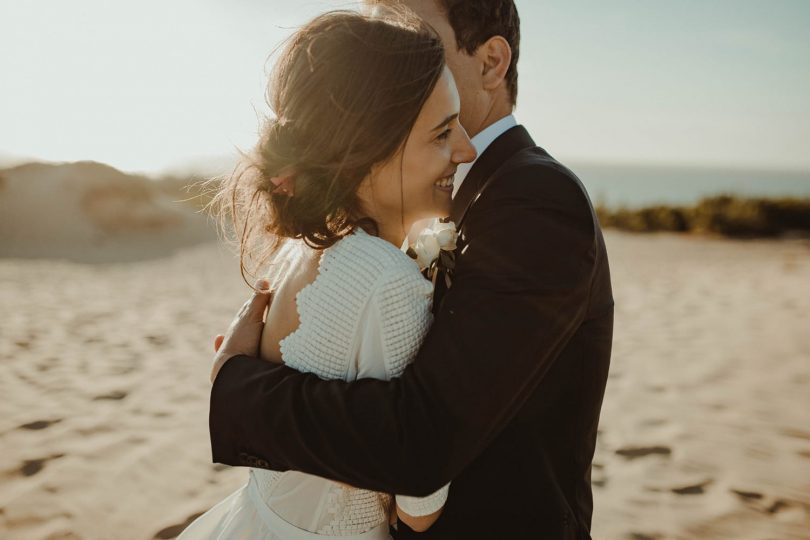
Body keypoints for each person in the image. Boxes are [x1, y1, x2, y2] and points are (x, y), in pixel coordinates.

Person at [209, 1, 614, 538]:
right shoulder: (400, 203)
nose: (396, 54)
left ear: (492, 63)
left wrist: (238, 389)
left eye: (414, 34)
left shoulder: (536, 198)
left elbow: (424, 437)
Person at [180, 8, 477, 539]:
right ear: (365, 153)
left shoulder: (294, 251)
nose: (466, 149)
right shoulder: (388, 281)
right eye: (441, 134)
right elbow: (418, 506)